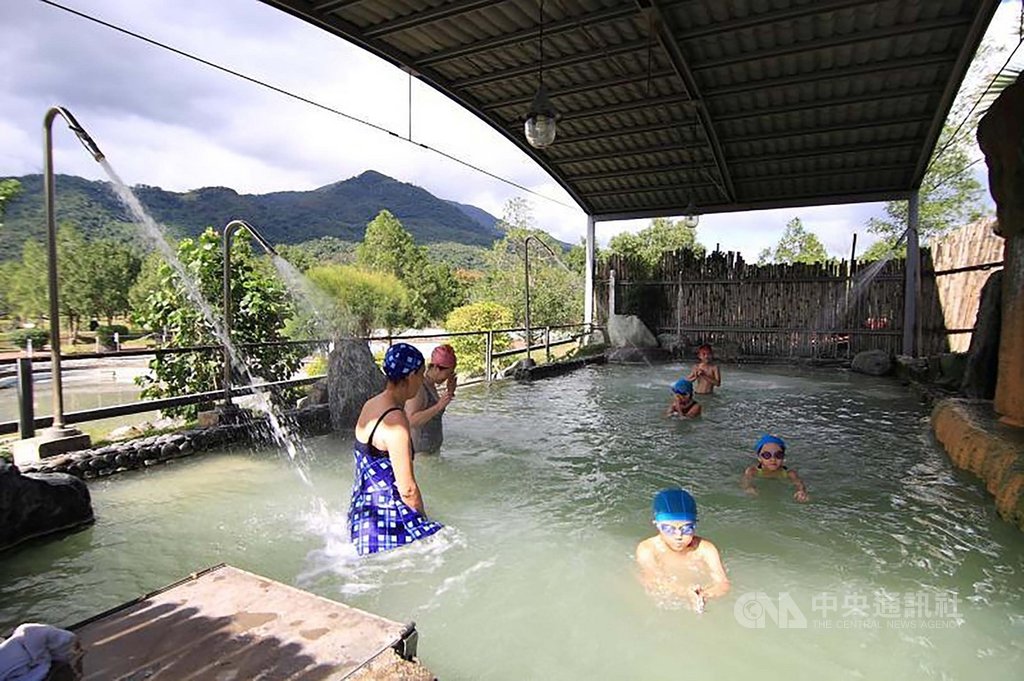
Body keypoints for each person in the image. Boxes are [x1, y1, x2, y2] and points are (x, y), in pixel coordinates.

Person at [348, 342, 443, 556]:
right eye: (420, 374)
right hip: (387, 525)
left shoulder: (371, 404)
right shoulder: (395, 423)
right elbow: (407, 489)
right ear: (410, 377)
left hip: (361, 517)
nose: (421, 381)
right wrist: (422, 521)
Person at [635, 488, 730, 612]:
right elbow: (654, 581)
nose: (678, 535)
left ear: (695, 526)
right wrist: (685, 592)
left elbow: (723, 583)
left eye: (686, 529)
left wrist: (704, 594)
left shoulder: (705, 549)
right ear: (657, 525)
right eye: (669, 529)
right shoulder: (647, 549)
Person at [405, 344, 458, 455]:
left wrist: (450, 392)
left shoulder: (430, 385)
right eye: (447, 373)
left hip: (431, 451)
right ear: (436, 368)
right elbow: (411, 421)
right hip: (421, 454)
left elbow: (434, 415)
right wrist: (439, 406)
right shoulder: (419, 388)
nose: (448, 377)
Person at [741, 434, 809, 502]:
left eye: (778, 455)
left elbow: (799, 484)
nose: (773, 459)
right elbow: (745, 482)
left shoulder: (789, 473)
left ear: (783, 457)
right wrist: (748, 488)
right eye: (767, 455)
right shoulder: (752, 471)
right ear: (759, 458)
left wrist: (801, 491)